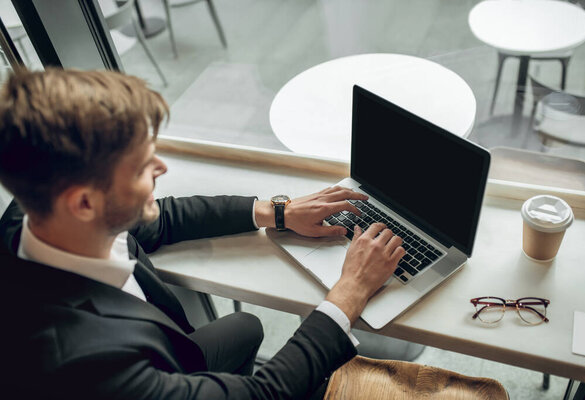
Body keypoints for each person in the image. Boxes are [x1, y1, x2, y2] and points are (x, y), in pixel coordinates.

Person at [0, 68, 405, 399]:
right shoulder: (90, 366)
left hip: (169, 352)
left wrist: (280, 212)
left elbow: (165, 219)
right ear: (84, 203)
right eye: (142, 167)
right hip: (145, 376)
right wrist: (349, 290)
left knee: (245, 328)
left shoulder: (37, 212)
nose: (161, 169)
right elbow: (265, 394)